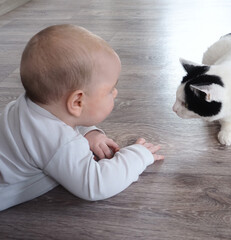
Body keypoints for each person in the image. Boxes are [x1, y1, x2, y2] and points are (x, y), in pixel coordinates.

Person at [0, 24, 164, 211]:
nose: (116, 93)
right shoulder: (60, 142)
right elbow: (96, 185)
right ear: (77, 102)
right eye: (110, 90)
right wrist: (136, 156)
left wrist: (89, 133)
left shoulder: (31, 104)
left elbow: (63, 118)